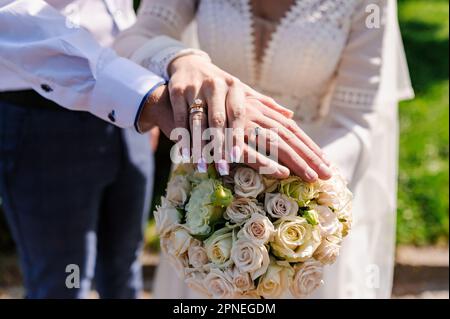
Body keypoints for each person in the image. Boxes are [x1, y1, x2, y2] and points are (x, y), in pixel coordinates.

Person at [0, 0, 327, 298]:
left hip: (133, 113)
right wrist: (151, 94)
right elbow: (12, 13)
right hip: (46, 114)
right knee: (60, 283)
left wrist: (141, 103)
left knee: (125, 270)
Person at [114, 0, 414, 298]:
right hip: (211, 195)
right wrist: (181, 59)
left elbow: (356, 122)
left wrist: (295, 200)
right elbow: (131, 40)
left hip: (305, 200)